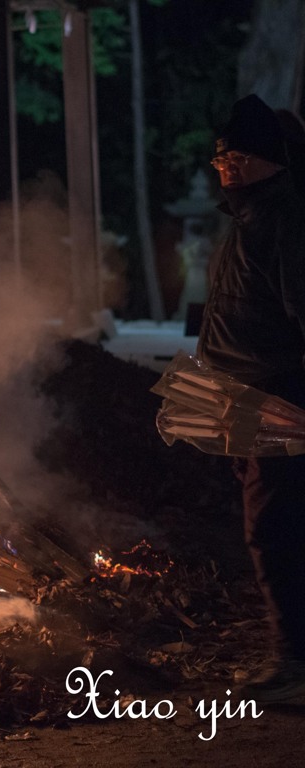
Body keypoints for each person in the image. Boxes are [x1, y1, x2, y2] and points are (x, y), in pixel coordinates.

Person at [197, 93, 305, 703]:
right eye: (221, 156)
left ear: (272, 161)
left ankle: (294, 660)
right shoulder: (249, 221)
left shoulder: (284, 221)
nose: (228, 164)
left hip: (276, 395)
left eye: (240, 155)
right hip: (241, 396)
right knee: (272, 522)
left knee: (276, 527)